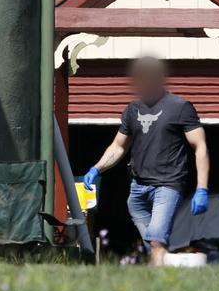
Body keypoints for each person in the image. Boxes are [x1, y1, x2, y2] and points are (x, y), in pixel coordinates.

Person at [82, 57, 210, 265]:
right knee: (154, 243)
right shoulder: (133, 110)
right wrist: (96, 168)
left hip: (168, 185)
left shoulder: (180, 107)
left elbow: (200, 146)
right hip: (137, 191)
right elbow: (119, 146)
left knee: (157, 242)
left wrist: (201, 188)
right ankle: (174, 270)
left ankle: (159, 285)